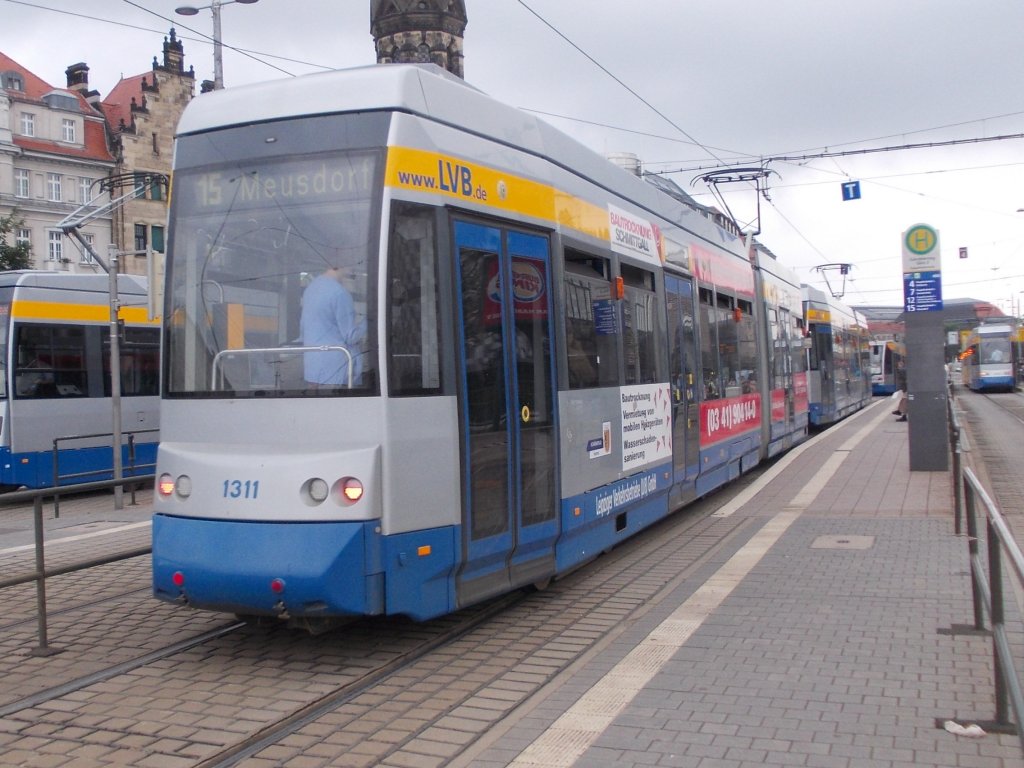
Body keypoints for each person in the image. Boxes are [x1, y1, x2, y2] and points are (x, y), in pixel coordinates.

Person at [300, 266, 365, 388]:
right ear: (344, 267)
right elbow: (351, 336)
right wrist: (370, 320)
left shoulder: (310, 289)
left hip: (312, 369)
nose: (353, 271)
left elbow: (303, 330)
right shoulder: (339, 293)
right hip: (337, 370)